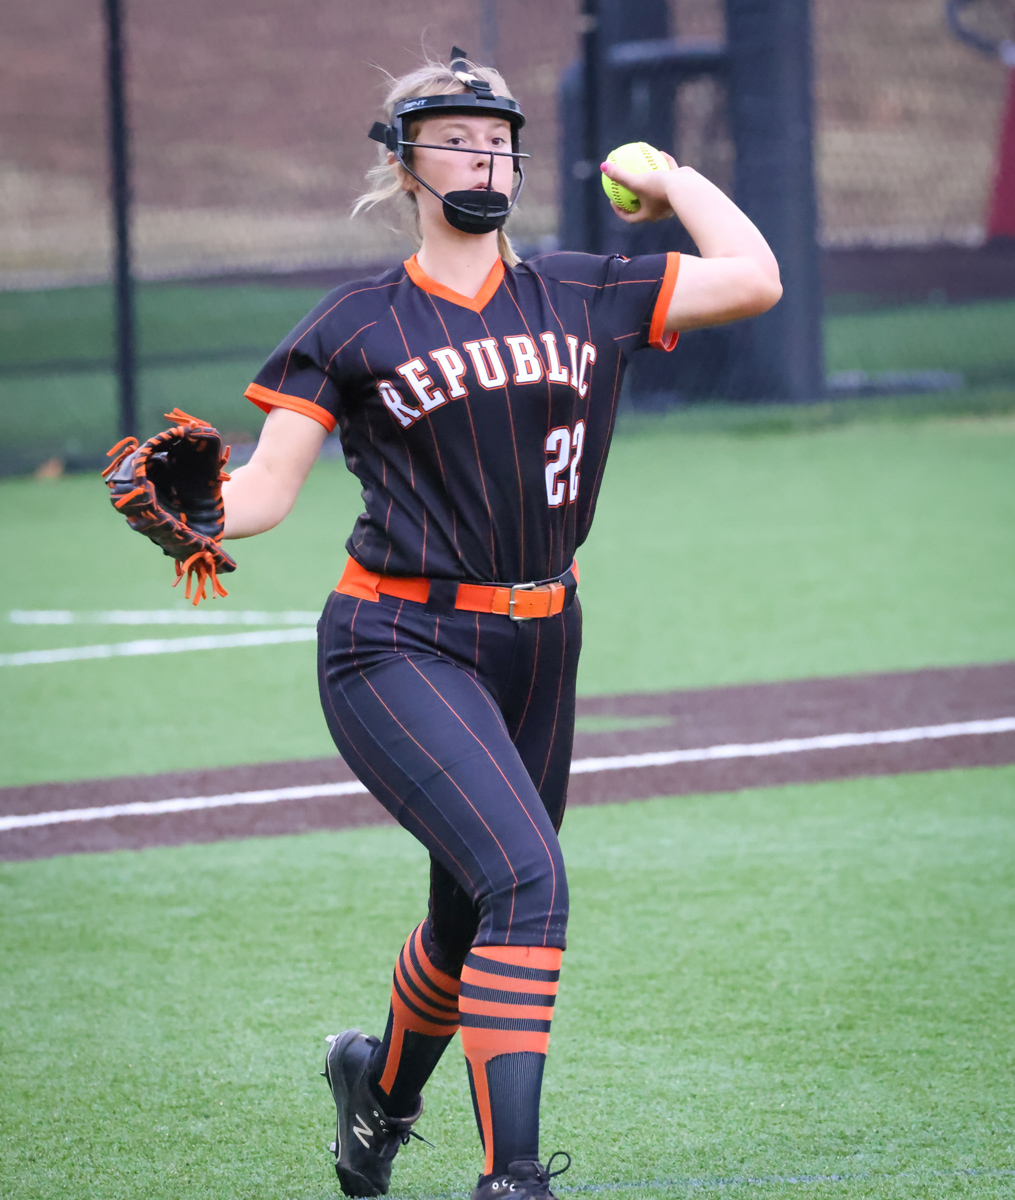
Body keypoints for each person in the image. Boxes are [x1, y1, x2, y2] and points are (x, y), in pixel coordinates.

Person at [222, 48, 781, 1200]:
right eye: (454, 136)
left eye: (496, 137)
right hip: (393, 642)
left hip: (540, 639)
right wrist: (188, 509)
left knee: (469, 903)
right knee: (530, 877)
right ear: (403, 161)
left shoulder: (585, 287)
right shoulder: (354, 323)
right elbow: (263, 495)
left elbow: (755, 277)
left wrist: (670, 175)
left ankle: (377, 1093)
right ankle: (513, 1177)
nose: (481, 153)